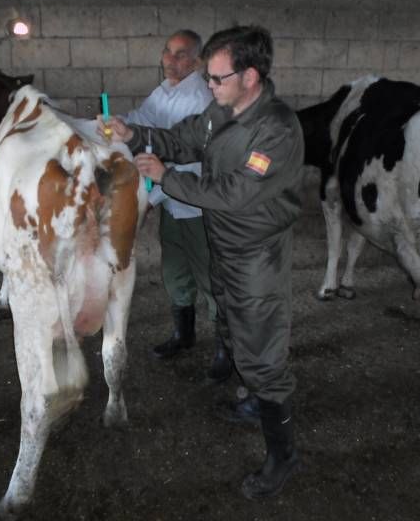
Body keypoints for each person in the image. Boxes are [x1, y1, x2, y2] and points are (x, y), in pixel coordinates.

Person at [106, 25, 305, 500]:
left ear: (250, 76)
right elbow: (181, 138)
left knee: (263, 350)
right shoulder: (221, 110)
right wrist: (136, 135)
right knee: (235, 328)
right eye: (210, 78)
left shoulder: (275, 129)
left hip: (257, 253)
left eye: (217, 78)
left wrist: (169, 179)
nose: (208, 86)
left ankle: (283, 454)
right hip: (225, 245)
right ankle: (254, 397)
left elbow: (235, 193)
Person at [111, 29, 231, 381]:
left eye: (179, 55)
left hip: (196, 206)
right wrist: (115, 124)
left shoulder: (198, 98)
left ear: (195, 61)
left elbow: (183, 161)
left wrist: (148, 198)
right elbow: (142, 118)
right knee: (175, 269)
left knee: (209, 275)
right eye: (167, 51)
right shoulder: (164, 91)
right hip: (172, 204)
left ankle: (225, 350)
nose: (169, 59)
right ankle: (184, 334)